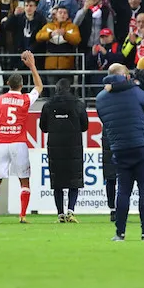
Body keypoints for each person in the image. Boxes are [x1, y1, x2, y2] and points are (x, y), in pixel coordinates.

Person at [96, 63, 144, 240]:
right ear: (126, 76)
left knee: (123, 191)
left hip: (119, 148)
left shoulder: (100, 98)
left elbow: (105, 120)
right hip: (143, 147)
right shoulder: (134, 92)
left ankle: (120, 233)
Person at [0, 51, 43, 223]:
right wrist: (32, 66)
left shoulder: (0, 99)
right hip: (18, 142)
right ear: (22, 85)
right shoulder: (25, 99)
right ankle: (22, 216)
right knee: (24, 181)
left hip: (1, 142)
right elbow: (39, 87)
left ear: (8, 83)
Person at [39, 78, 87, 222]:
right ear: (70, 88)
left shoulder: (48, 105)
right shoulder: (78, 104)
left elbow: (43, 127)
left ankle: (60, 213)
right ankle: (71, 211)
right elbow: (85, 126)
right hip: (74, 146)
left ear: (56, 88)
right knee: (74, 179)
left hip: (55, 147)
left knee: (57, 180)